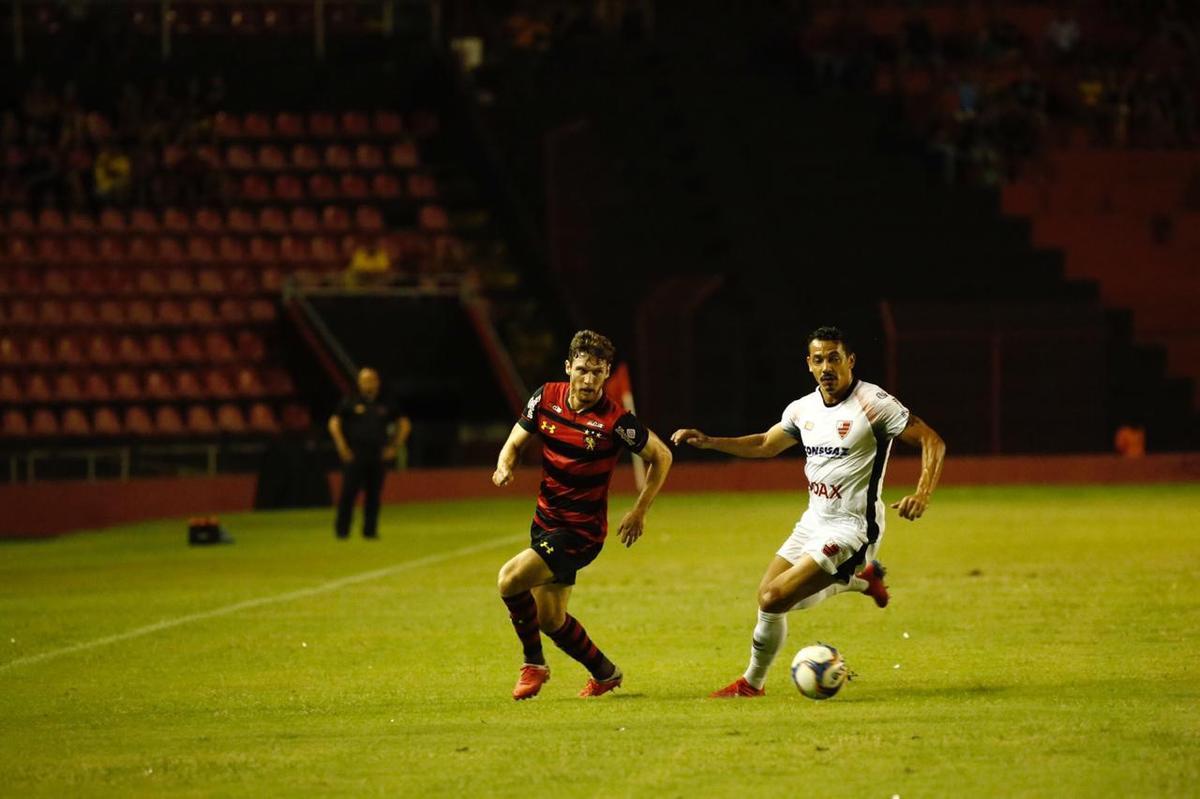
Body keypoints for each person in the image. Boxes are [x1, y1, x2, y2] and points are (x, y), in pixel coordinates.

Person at [671, 326, 945, 697]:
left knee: (774, 598)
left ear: (850, 361)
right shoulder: (802, 409)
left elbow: (931, 440)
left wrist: (922, 493)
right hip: (813, 520)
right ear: (809, 365)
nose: (826, 367)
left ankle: (751, 685)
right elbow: (766, 444)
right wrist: (710, 442)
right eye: (819, 359)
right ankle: (862, 581)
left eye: (834, 358)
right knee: (767, 597)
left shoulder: (873, 403)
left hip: (852, 528)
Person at [493, 330, 673, 700]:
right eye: (583, 370)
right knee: (549, 619)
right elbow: (514, 442)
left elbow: (662, 456)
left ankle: (533, 664)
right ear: (568, 368)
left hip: (580, 533)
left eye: (598, 372)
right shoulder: (545, 397)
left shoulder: (617, 421)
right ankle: (605, 673)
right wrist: (505, 465)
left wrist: (640, 510)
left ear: (607, 374)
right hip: (544, 523)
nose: (590, 380)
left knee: (509, 579)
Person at [327, 367, 411, 539]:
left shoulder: (386, 402)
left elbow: (404, 424)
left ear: (377, 382)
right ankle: (342, 531)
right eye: (364, 380)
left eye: (370, 380)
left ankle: (370, 531)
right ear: (359, 383)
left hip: (378, 453)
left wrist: (394, 446)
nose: (367, 383)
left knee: (374, 494)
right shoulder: (350, 401)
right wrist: (342, 446)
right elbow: (334, 423)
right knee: (348, 492)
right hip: (355, 453)